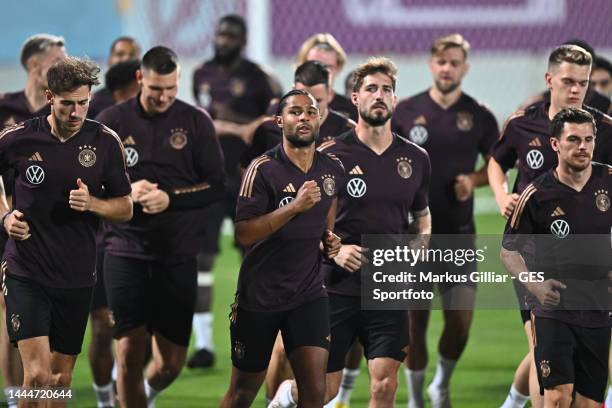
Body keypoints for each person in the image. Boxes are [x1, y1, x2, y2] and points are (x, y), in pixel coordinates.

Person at [269, 57, 431, 408]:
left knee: (384, 387)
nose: (379, 95)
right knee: (322, 391)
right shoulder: (328, 155)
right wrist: (334, 250)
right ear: (354, 98)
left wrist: (417, 248)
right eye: (370, 89)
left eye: (386, 89)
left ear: (395, 100)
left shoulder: (416, 158)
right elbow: (300, 221)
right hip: (333, 287)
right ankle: (285, 395)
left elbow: (423, 216)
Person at [96, 46, 225, 407]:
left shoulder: (196, 121)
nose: (164, 96)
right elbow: (89, 185)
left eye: (171, 88)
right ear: (140, 79)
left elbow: (216, 186)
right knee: (128, 352)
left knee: (170, 364)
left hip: (178, 256)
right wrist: (126, 192)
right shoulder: (111, 122)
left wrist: (171, 197)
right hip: (125, 252)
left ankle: (142, 397)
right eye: (156, 88)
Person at [0, 56, 132, 407]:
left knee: (60, 379)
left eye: (83, 103)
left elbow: (125, 207)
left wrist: (93, 205)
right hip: (26, 271)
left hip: (76, 275)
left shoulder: (105, 142)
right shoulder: (17, 139)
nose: (76, 112)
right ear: (49, 97)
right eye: (67, 103)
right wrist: (5, 216)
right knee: (39, 375)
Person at [488, 44, 612, 408]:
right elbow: (496, 163)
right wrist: (500, 197)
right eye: (569, 81)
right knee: (545, 361)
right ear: (550, 80)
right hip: (535, 254)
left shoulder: (603, 130)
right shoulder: (523, 122)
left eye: (584, 83)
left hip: (591, 269)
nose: (576, 89)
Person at [391, 33, 499, 408]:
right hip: (412, 238)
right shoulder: (405, 112)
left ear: (464, 68)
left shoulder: (480, 115)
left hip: (458, 236)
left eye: (454, 63)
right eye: (441, 62)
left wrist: (475, 179)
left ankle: (442, 382)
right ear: (431, 65)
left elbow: (498, 165)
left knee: (460, 324)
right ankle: (417, 397)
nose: (447, 68)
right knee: (412, 327)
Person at [220, 89, 344, 408]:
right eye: (295, 112)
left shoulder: (331, 168)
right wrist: (293, 208)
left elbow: (327, 208)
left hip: (308, 294)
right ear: (280, 121)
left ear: (319, 119)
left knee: (315, 393)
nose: (303, 117)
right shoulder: (262, 169)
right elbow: (243, 233)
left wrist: (328, 238)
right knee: (242, 393)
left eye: (310, 112)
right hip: (260, 296)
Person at [190, 14, 277, 368]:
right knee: (202, 261)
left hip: (248, 182)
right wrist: (234, 126)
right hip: (210, 180)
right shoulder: (201, 74)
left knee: (254, 261)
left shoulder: (261, 80)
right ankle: (205, 344)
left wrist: (246, 129)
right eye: (220, 33)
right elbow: (202, 121)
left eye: (230, 35)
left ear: (242, 40)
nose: (222, 39)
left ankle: (254, 334)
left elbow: (274, 121)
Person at [0, 33, 66, 408]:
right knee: (11, 310)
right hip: (6, 224)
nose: (64, 67)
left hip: (52, 232)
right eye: (58, 60)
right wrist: (5, 213)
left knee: (50, 319)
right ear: (34, 65)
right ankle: (16, 396)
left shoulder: (60, 113)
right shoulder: (3, 108)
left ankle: (45, 391)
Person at [88, 57, 140, 408]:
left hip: (144, 245)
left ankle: (128, 397)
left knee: (136, 332)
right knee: (103, 325)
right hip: (102, 243)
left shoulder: (164, 123)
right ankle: (105, 398)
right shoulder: (100, 129)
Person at [241, 60, 355, 170]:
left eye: (317, 102)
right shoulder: (270, 128)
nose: (307, 112)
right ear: (293, 90)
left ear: (330, 94)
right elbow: (247, 168)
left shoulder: (348, 132)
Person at [519, 40, 611, 115]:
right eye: (568, 81)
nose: (574, 89)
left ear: (592, 71)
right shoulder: (531, 109)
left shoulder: (606, 109)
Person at [296, 33, 357, 121]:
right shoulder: (282, 109)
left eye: (328, 67)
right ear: (301, 65)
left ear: (338, 68)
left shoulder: (352, 111)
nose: (321, 71)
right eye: (315, 65)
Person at [88, 37, 141, 119]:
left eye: (132, 55)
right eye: (120, 54)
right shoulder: (93, 104)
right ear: (109, 60)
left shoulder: (152, 98)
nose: (126, 59)